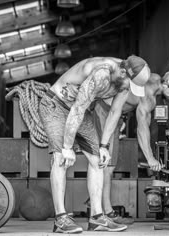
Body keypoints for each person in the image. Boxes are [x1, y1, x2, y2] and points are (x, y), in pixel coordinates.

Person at [39, 55, 154, 233]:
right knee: (61, 157)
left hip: (80, 110)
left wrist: (104, 146)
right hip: (56, 104)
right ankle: (61, 219)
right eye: (130, 85)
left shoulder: (123, 82)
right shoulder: (101, 72)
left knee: (98, 160)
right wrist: (68, 147)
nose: (128, 90)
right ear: (123, 72)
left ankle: (97, 218)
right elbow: (77, 108)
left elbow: (115, 113)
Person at [93, 70, 169, 224]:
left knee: (109, 165)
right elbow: (142, 129)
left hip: (115, 115)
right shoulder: (148, 97)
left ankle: (104, 211)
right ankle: (105, 214)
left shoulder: (155, 78)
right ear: (166, 85)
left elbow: (147, 126)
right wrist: (150, 159)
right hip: (106, 111)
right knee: (107, 167)